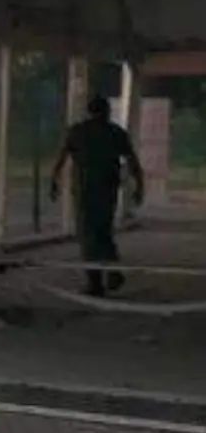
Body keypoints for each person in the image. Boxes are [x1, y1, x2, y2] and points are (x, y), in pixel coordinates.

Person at [50, 95, 145, 297]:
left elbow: (61, 158)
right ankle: (112, 272)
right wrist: (139, 187)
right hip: (107, 190)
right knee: (103, 232)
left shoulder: (77, 131)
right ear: (108, 112)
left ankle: (96, 281)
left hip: (85, 190)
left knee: (88, 236)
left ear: (89, 111)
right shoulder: (116, 133)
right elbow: (132, 161)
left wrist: (54, 181)